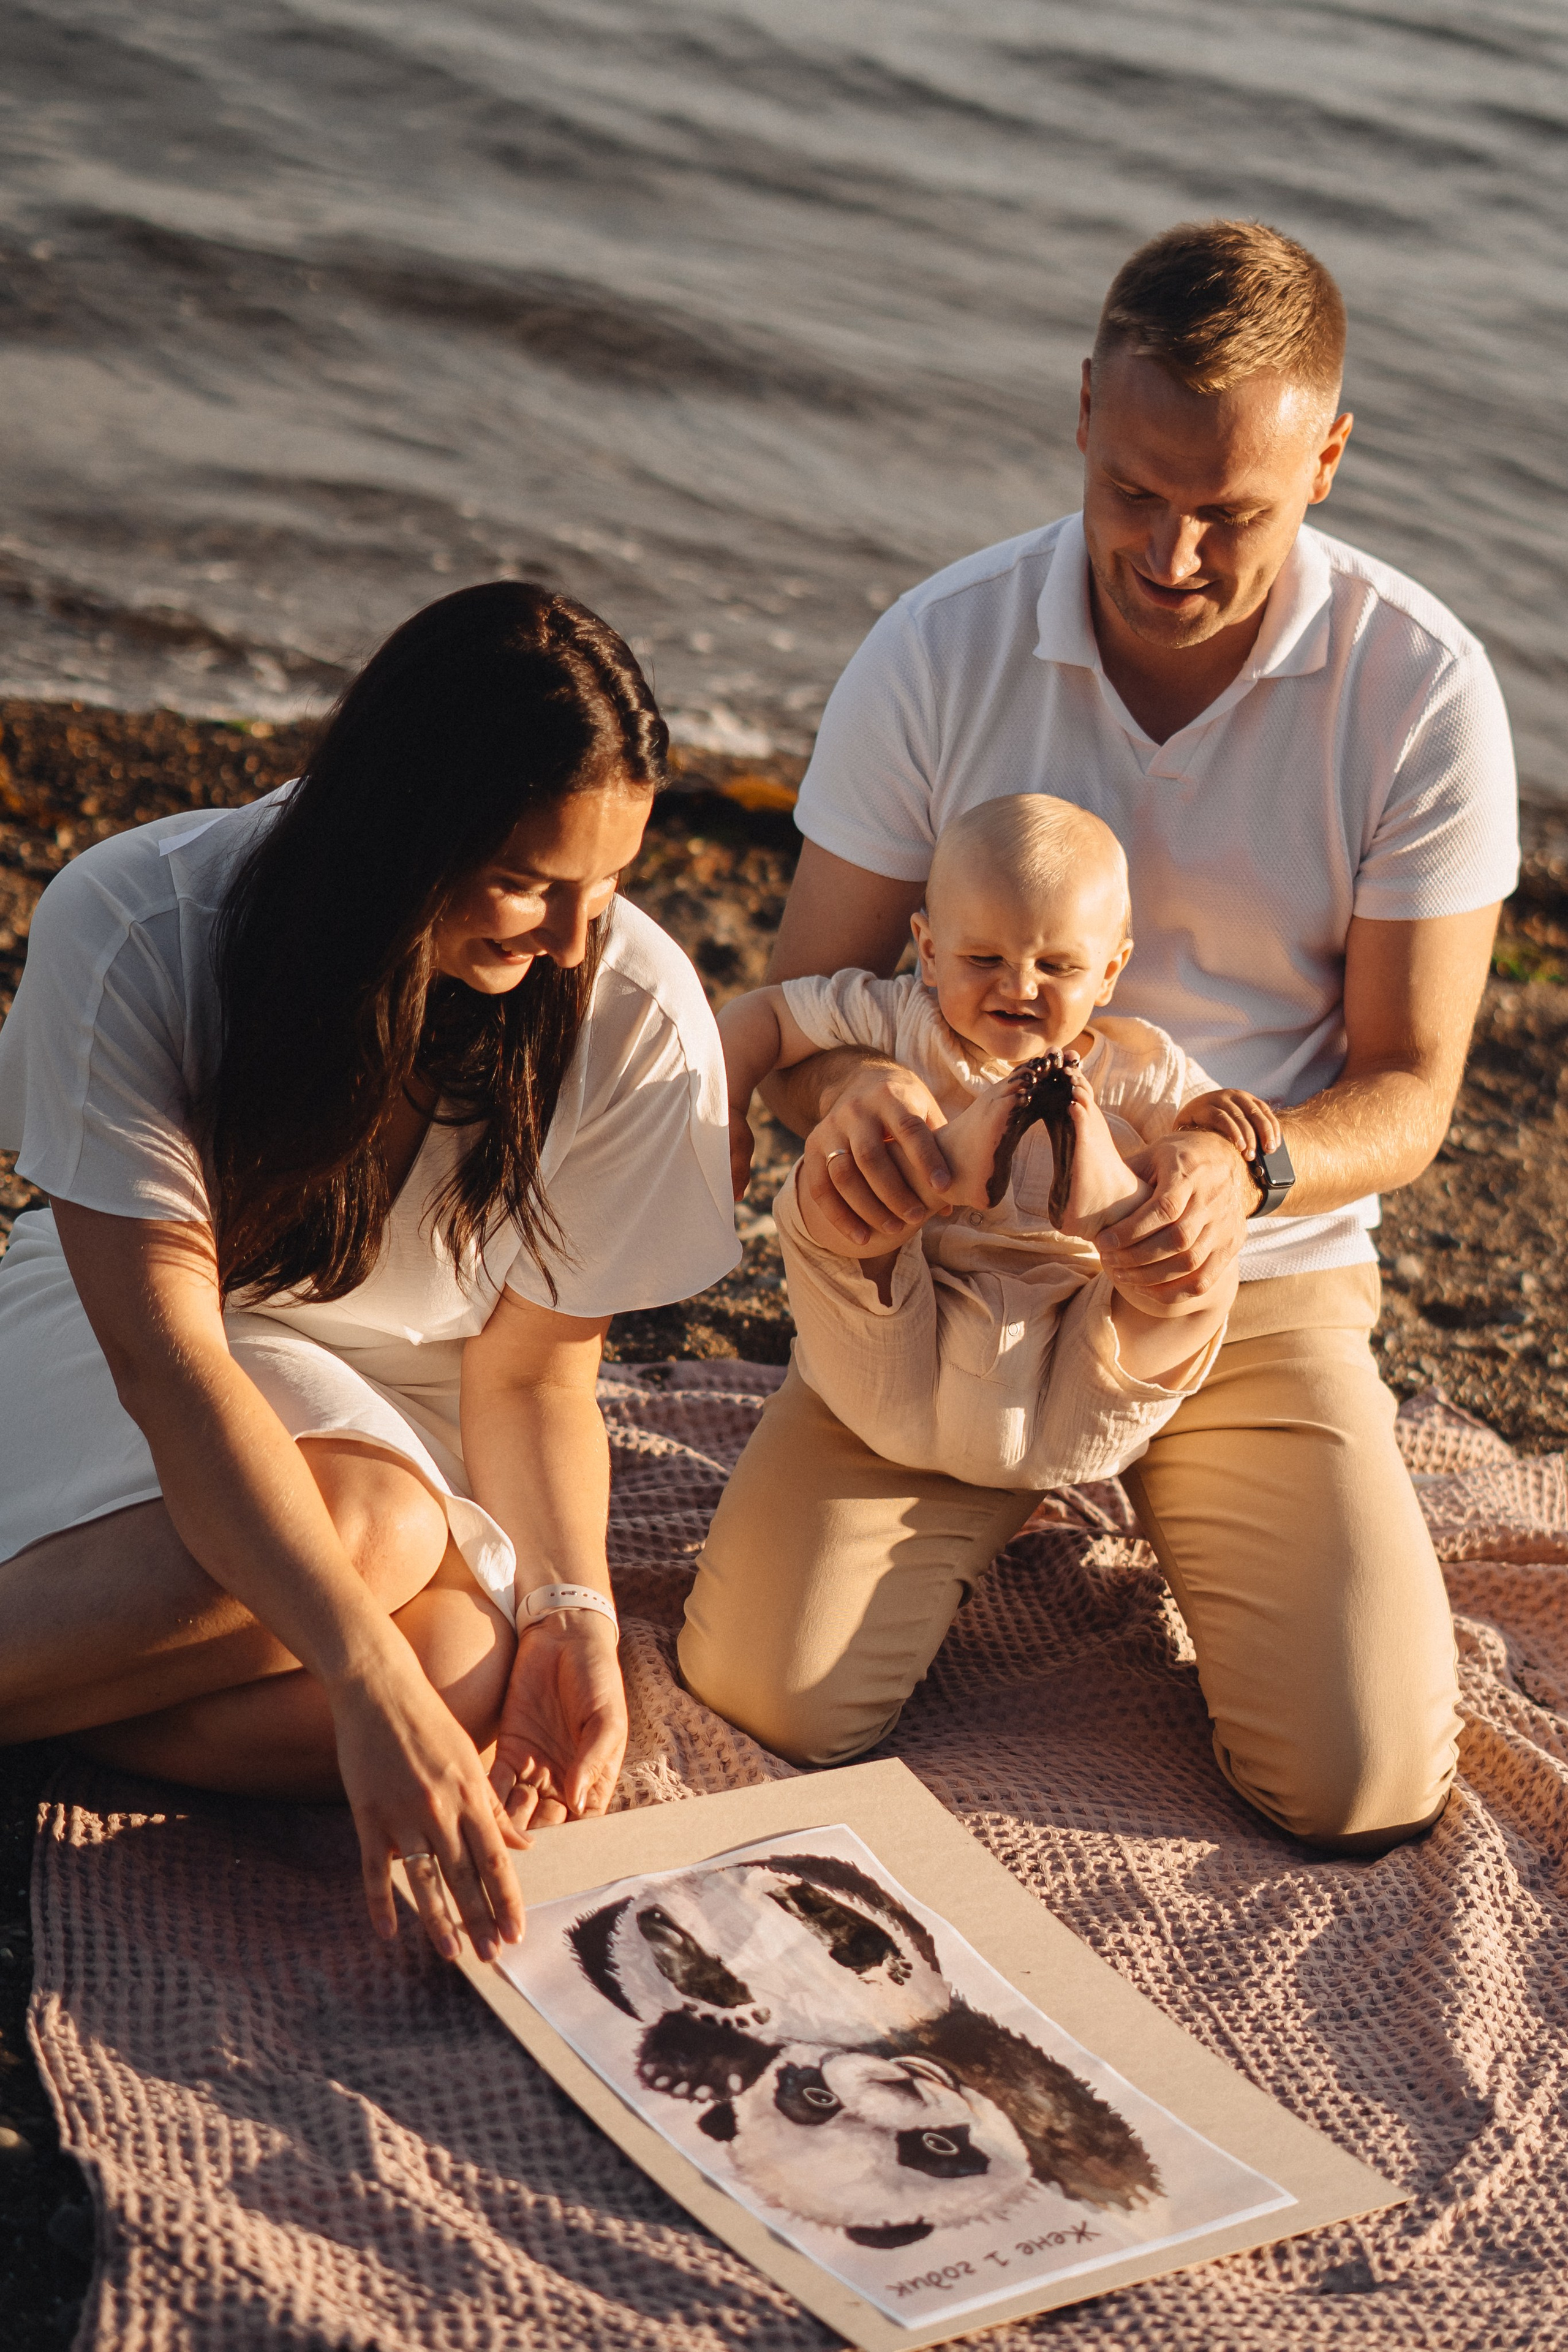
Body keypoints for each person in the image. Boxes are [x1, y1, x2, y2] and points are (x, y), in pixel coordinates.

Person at [680, 219, 1518, 1852]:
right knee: (773, 1699)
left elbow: (1410, 1094)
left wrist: (1239, 1158)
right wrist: (857, 1115)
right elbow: (815, 1004)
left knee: (1360, 1786)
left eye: (1234, 514)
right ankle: (995, 1497)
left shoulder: (1420, 689)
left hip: (1240, 1277)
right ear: (1082, 410)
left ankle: (1177, 1494)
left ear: (1331, 457)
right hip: (947, 1268)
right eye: (1139, 492)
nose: (1176, 555)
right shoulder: (941, 646)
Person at [0, 582, 739, 1963]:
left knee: (459, 1677)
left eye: (612, 884)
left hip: (416, 1395)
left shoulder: (629, 1011)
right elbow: (169, 1364)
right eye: (528, 878)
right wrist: (349, 1665)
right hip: (135, 1348)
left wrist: (573, 1615)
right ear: (398, 827)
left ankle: (54, 1682)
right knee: (379, 1549)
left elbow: (529, 1373)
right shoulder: (145, 921)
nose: (575, 939)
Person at [719, 793, 1280, 1490]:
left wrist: (1213, 1121)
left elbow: (1204, 1157)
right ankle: (943, 1163)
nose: (1018, 986)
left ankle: (1100, 1203)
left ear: (1109, 972)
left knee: (1189, 1257)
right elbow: (763, 1015)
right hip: (898, 1350)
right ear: (927, 951)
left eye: (1058, 968)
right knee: (837, 1191)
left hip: (1075, 1380)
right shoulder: (896, 1020)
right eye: (983, 958)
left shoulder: (1137, 1063)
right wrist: (721, 1113)